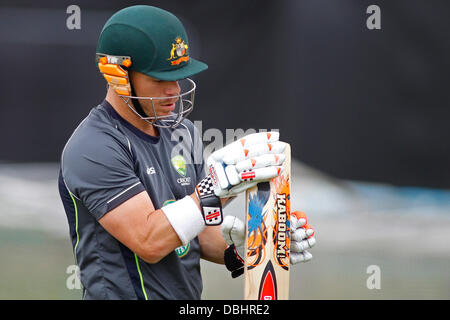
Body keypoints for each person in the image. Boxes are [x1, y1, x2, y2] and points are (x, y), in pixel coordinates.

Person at [58, 5, 316, 300]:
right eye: (159, 79)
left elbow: (198, 232)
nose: (174, 90)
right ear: (118, 75)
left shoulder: (183, 132)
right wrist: (213, 190)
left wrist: (251, 247)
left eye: (177, 76)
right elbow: (149, 241)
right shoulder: (93, 146)